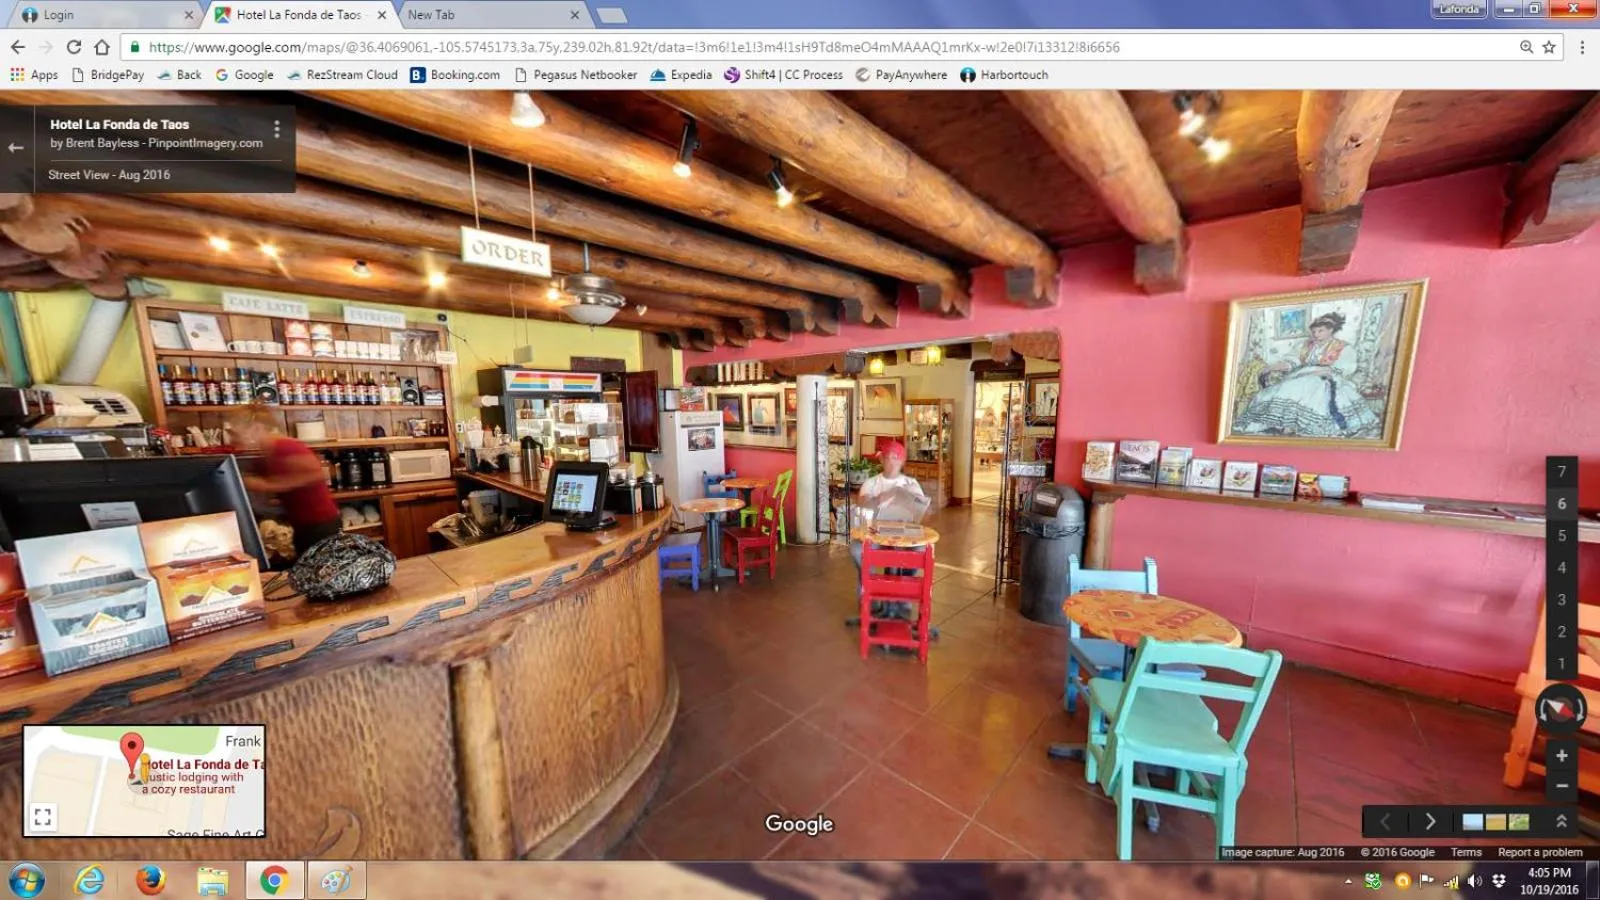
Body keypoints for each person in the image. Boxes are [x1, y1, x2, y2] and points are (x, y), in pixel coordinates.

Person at [1233, 311, 1381, 439]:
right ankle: (1283, 423)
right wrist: (1273, 367)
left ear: (1331, 330)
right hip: (1303, 374)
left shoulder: (1343, 347)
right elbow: (1293, 361)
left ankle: (1297, 425)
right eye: (1314, 331)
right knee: (1286, 387)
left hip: (1326, 376)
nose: (1316, 335)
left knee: (1310, 389)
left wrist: (1323, 371)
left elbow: (1344, 368)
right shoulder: (1306, 345)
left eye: (1321, 331)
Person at [230, 404, 342, 559]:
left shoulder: (284, 447)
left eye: (237, 432)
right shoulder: (268, 452)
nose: (234, 438)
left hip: (319, 525)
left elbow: (317, 473)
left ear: (256, 428)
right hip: (304, 524)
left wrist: (264, 484)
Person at [847, 440, 935, 634]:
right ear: (882, 459)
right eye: (889, 456)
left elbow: (924, 513)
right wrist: (882, 497)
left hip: (904, 535)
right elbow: (862, 506)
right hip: (876, 535)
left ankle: (899, 598)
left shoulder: (911, 484)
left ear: (902, 460)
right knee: (856, 549)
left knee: (920, 550)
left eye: (897, 457)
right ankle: (872, 594)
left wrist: (926, 505)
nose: (892, 461)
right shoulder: (872, 483)